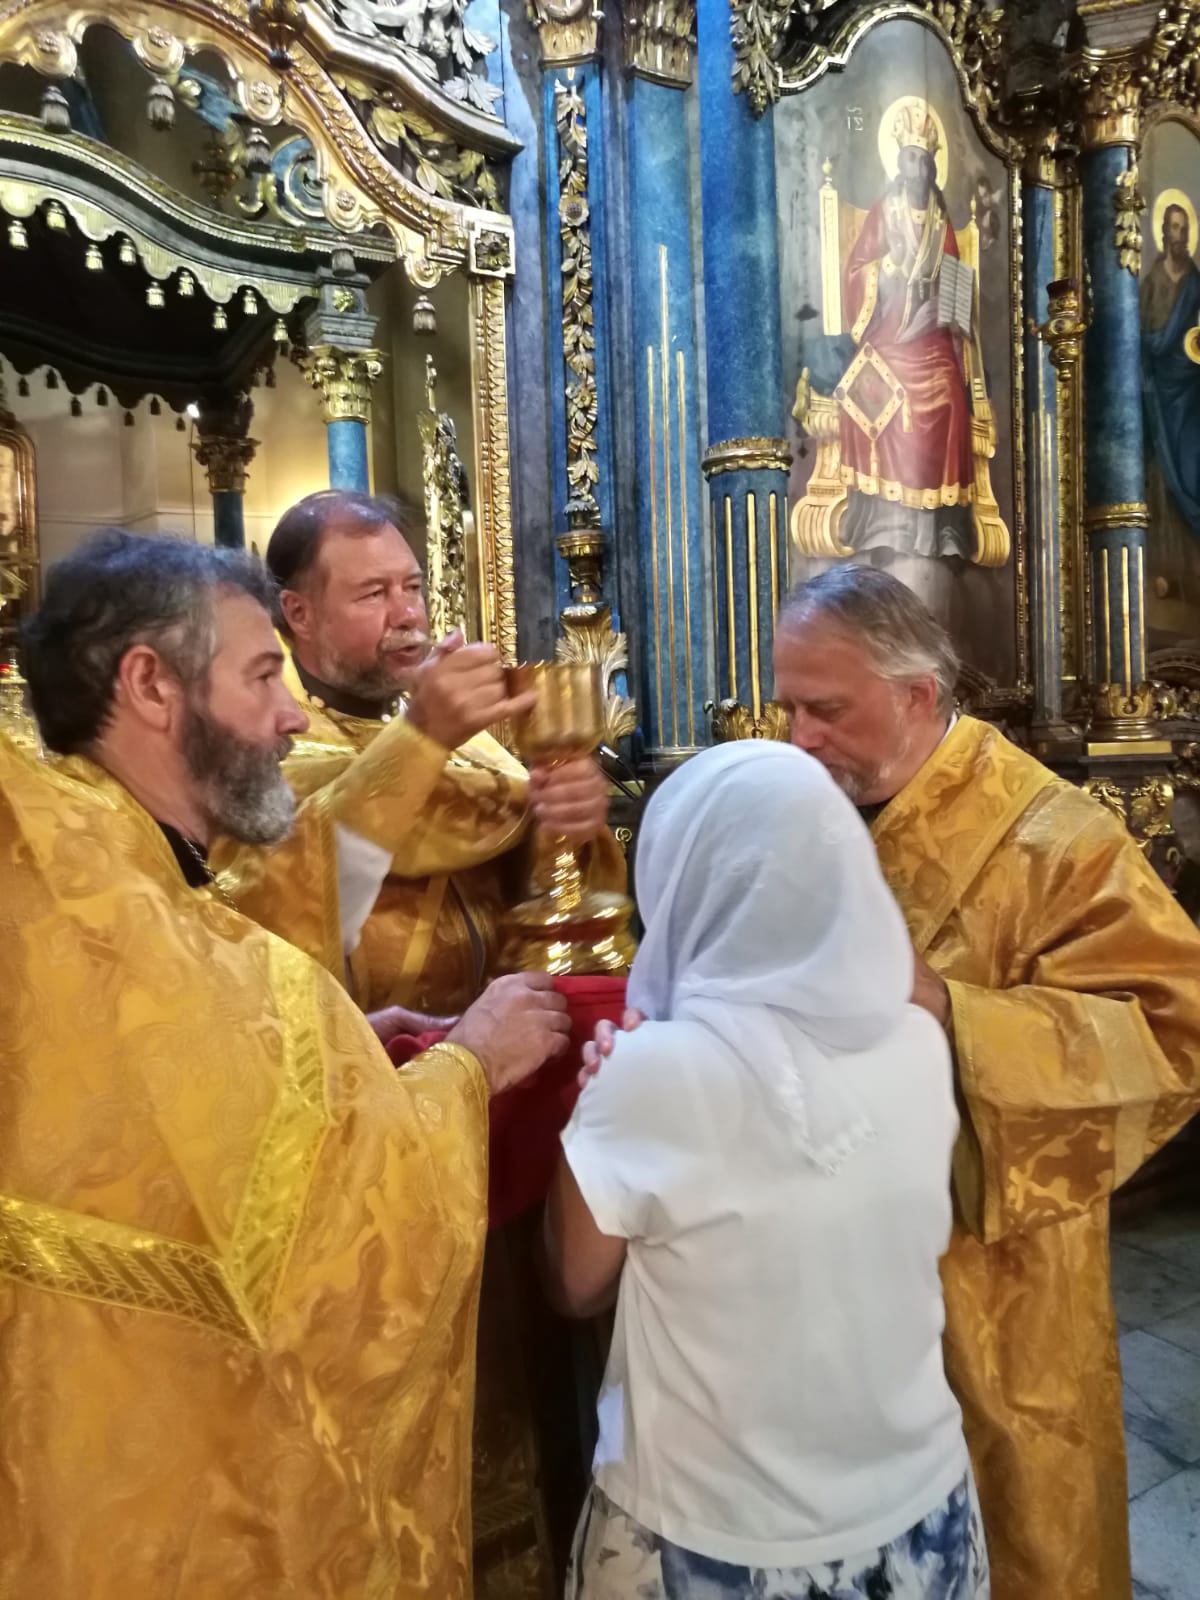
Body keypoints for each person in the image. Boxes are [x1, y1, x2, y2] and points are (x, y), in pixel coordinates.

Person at [1, 528, 571, 1597]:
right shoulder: (116, 920)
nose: (292, 712)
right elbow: (330, 1244)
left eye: (413, 585)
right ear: (150, 685)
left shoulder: (78, 868)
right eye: (263, 674)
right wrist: (467, 1069)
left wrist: (352, 1052)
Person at [217, 489, 626, 1598]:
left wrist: (569, 823)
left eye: (411, 586)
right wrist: (428, 737)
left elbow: (542, 893)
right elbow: (291, 895)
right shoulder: (262, 742)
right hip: (377, 1129)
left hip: (510, 1107)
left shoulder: (479, 750)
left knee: (534, 1375)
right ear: (298, 615)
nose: (405, 612)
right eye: (371, 594)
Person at [768, 565, 1200, 1600]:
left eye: (826, 709)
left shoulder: (1056, 839)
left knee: (1023, 1536)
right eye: (788, 707)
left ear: (917, 694)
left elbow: (1173, 1030)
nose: (798, 738)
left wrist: (951, 1009)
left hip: (995, 1289)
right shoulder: (804, 811)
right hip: (825, 1281)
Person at [543, 740, 989, 1600]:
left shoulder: (653, 1075)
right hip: (925, 1521)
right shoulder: (918, 1040)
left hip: (712, 1537)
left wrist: (596, 1104)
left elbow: (574, 1285)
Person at [1140, 199, 1200, 641]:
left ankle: (1191, 576)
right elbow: (1140, 334)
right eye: (1170, 227)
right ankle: (1162, 573)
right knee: (1160, 477)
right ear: (1161, 233)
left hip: (1190, 389)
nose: (1176, 235)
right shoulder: (1151, 281)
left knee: (1190, 473)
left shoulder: (1195, 281)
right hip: (1156, 391)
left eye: (1182, 228)